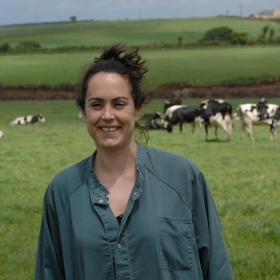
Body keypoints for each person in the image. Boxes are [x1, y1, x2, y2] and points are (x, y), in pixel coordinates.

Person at [34, 43, 234, 280]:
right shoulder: (62, 191)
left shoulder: (182, 177)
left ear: (137, 109)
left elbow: (217, 268)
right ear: (84, 112)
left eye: (119, 104)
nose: (107, 115)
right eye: (96, 104)